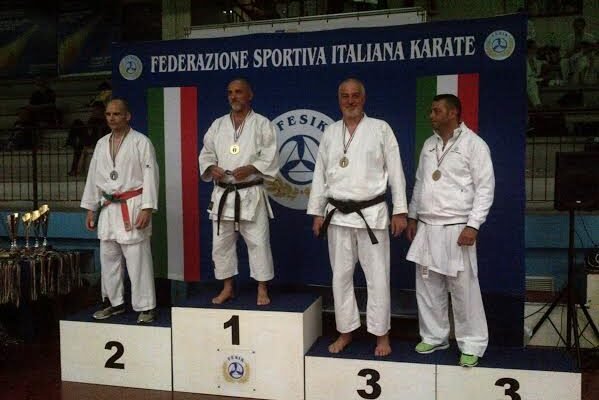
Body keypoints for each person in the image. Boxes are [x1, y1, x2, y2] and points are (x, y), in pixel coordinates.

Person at [307, 78, 408, 357]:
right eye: (345, 96)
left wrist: (400, 210)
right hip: (337, 216)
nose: (350, 101)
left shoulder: (380, 128)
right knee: (340, 277)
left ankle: (381, 335)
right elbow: (319, 174)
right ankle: (345, 330)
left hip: (371, 215)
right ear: (339, 99)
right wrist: (317, 211)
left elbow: (396, 171)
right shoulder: (330, 132)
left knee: (377, 278)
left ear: (363, 98)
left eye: (355, 96)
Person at [405, 94, 494, 368]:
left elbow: (485, 188)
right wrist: (412, 215)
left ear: (453, 113)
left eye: (436, 111)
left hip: (457, 226)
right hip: (427, 225)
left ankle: (472, 343)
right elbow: (420, 182)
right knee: (428, 286)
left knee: (464, 290)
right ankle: (434, 336)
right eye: (431, 111)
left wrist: (473, 224)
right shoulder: (429, 145)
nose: (431, 115)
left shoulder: (474, 145)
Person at [198, 78, 279, 306]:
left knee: (258, 242)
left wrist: (252, 168)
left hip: (250, 193)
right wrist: (210, 167)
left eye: (239, 92)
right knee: (221, 244)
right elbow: (206, 153)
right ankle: (227, 287)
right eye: (230, 92)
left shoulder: (262, 124)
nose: (234, 96)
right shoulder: (218, 125)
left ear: (249, 95)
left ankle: (262, 288)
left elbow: (270, 155)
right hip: (223, 194)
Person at [80, 98, 159, 324]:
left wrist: (147, 207)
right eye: (108, 114)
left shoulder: (141, 142)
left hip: (132, 205)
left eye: (116, 114)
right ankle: (114, 302)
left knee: (137, 259)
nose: (112, 118)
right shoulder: (101, 144)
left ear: (127, 116)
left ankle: (146, 306)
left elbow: (151, 175)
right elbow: (93, 177)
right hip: (108, 208)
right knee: (109, 258)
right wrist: (91, 208)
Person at [560, 17, 596, 83]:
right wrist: (570, 52)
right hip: (571, 56)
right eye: (577, 26)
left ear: (584, 27)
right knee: (563, 62)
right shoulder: (569, 38)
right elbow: (563, 51)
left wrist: (587, 51)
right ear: (574, 27)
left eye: (581, 26)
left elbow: (594, 49)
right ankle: (566, 81)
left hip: (585, 57)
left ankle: (581, 81)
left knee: (582, 61)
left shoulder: (590, 37)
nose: (579, 28)